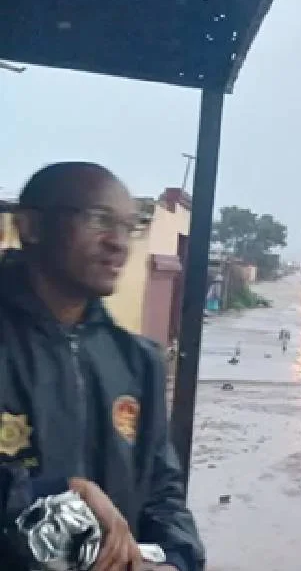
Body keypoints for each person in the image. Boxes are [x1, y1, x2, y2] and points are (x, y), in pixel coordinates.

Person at [0, 162, 204, 571]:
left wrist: (175, 559)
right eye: (98, 220)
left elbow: (162, 490)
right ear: (32, 227)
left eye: (129, 226)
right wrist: (63, 492)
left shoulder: (137, 361)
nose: (119, 244)